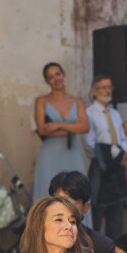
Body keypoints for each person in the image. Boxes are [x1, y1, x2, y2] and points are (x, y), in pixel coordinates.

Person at [32, 61, 89, 203]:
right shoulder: (41, 101)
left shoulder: (78, 101)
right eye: (51, 77)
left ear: (63, 74)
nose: (55, 79)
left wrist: (57, 125)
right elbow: (43, 130)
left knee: (78, 191)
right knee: (49, 194)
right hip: (49, 154)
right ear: (47, 81)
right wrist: (72, 127)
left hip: (72, 153)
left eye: (57, 74)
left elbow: (85, 127)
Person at [83, 76, 127, 240]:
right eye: (103, 87)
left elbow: (123, 138)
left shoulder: (115, 113)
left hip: (119, 167)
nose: (107, 90)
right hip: (100, 168)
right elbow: (89, 143)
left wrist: (125, 153)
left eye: (109, 87)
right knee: (97, 212)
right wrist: (105, 157)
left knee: (116, 214)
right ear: (94, 91)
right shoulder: (89, 113)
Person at [49, 171, 117, 253]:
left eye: (69, 203)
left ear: (85, 207)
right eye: (58, 202)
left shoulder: (102, 247)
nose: (62, 208)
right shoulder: (37, 238)